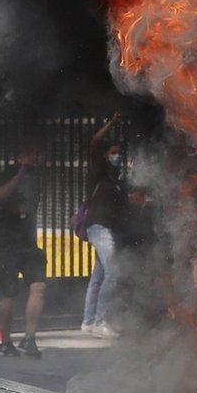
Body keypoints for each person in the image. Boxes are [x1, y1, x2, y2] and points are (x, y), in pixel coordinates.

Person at [0, 143, 47, 358]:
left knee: (38, 286)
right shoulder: (5, 176)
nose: (34, 157)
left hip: (28, 244)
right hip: (6, 245)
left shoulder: (36, 178)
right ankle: (6, 341)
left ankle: (30, 338)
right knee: (8, 294)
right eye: (29, 153)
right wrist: (20, 173)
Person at [80, 119, 127, 338]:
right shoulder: (99, 170)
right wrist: (111, 122)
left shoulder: (114, 177)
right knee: (113, 273)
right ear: (107, 154)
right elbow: (94, 142)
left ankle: (88, 322)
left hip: (106, 228)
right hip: (98, 228)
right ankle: (100, 322)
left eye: (119, 152)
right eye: (114, 152)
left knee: (98, 276)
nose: (117, 156)